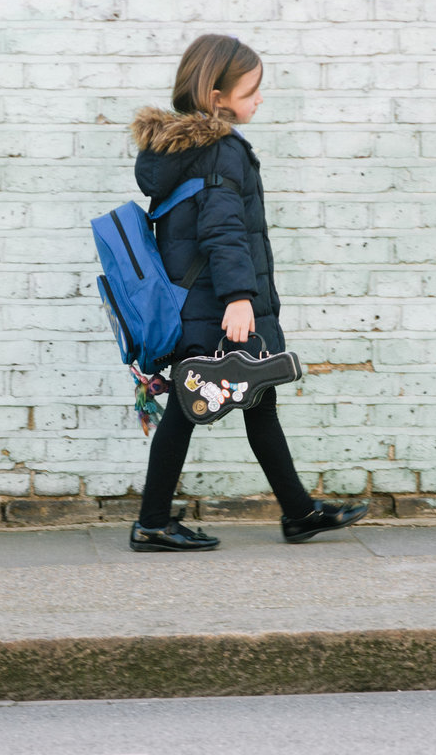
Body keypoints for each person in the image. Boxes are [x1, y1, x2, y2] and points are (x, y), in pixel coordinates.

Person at [126, 33, 369, 552]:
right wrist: (240, 297)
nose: (260, 98)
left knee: (257, 398)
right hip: (219, 306)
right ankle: (151, 522)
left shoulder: (182, 153)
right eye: (251, 89)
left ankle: (298, 512)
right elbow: (221, 228)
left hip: (201, 304)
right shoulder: (221, 150)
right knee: (191, 407)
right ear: (217, 97)